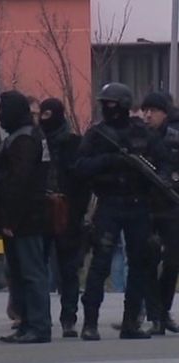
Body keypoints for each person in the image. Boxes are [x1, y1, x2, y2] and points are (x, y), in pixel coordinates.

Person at [75, 82, 166, 341]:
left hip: (138, 205)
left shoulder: (142, 133)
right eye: (105, 104)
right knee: (100, 263)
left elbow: (162, 162)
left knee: (140, 262)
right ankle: (90, 323)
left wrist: (159, 179)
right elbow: (80, 167)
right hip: (110, 203)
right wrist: (110, 161)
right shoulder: (97, 135)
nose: (108, 108)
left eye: (112, 104)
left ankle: (131, 322)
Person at [0, 90, 51, 344]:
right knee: (20, 271)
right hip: (24, 215)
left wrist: (10, 219)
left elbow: (19, 182)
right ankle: (27, 323)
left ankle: (37, 325)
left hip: (26, 217)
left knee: (31, 272)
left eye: (3, 109)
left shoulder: (24, 139)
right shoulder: (23, 135)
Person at [38, 98, 90, 337]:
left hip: (67, 212)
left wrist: (77, 212)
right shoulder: (36, 142)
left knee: (68, 269)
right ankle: (40, 317)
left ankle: (68, 317)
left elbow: (82, 181)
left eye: (47, 113)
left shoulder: (73, 144)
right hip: (41, 210)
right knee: (38, 267)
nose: (42, 118)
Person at [140, 91, 179, 334]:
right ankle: (154, 314)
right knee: (147, 260)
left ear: (165, 113)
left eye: (152, 110)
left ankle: (163, 310)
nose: (147, 115)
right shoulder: (139, 139)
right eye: (145, 110)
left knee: (173, 261)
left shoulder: (174, 139)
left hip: (171, 207)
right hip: (144, 206)